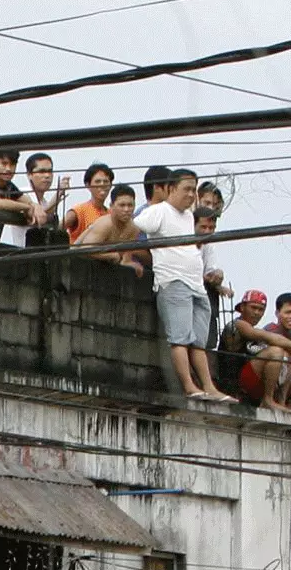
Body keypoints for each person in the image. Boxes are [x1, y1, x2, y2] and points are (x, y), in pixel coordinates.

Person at [134, 168, 226, 403]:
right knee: (180, 338)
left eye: (193, 190)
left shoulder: (189, 216)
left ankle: (208, 386)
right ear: (171, 189)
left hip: (196, 284)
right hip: (172, 282)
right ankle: (188, 385)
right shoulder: (158, 212)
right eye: (186, 189)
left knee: (198, 342)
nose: (190, 194)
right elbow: (132, 227)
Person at [76, 183, 149, 276]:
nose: (126, 209)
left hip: (103, 273)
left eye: (130, 205)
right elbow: (85, 249)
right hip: (78, 267)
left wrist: (134, 265)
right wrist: (111, 255)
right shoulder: (105, 224)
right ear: (111, 206)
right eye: (122, 205)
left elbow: (125, 260)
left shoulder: (134, 229)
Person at [22, 152, 70, 243]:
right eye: (41, 171)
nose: (47, 176)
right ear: (29, 175)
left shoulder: (44, 202)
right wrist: (58, 194)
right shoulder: (23, 193)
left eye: (50, 171)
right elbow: (39, 215)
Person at [65, 162, 116, 240]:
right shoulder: (79, 211)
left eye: (106, 181)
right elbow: (57, 229)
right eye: (97, 181)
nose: (102, 184)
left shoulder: (111, 214)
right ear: (87, 185)